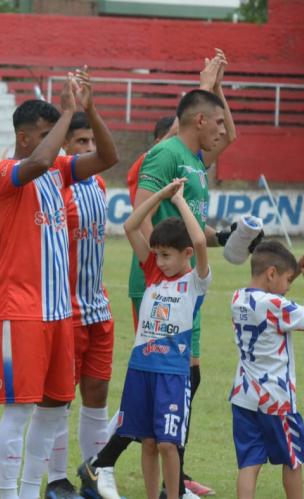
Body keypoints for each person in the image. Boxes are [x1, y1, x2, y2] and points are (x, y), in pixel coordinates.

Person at [0, 68, 118, 499]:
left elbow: (108, 158)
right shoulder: (6, 174)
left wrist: (90, 111)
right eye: (49, 132)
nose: (60, 140)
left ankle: (29, 492)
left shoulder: (60, 172)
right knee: (18, 410)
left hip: (59, 314)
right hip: (18, 313)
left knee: (54, 408)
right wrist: (67, 111)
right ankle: (9, 495)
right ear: (26, 137)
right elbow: (41, 159)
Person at [126, 50, 236, 498]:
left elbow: (227, 136)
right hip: (159, 281)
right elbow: (140, 214)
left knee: (185, 379)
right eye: (218, 121)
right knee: (164, 379)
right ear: (199, 122)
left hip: (183, 277)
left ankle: (177, 479)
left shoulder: (196, 160)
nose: (225, 129)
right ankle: (106, 465)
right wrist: (159, 262)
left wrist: (217, 87)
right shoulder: (167, 153)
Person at [82, 178, 211, 499]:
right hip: (140, 370)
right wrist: (160, 195)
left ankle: (175, 494)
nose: (161, 262)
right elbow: (130, 225)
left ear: (186, 254)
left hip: (172, 374)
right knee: (148, 441)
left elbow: (200, 241)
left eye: (167, 255)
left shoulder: (196, 281)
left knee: (169, 443)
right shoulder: (153, 271)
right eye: (158, 255)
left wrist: (179, 201)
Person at [43, 112, 115, 499]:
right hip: (63, 312)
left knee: (97, 394)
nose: (88, 149)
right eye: (80, 143)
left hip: (98, 309)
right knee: (58, 398)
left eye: (91, 142)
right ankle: (56, 479)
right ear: (64, 148)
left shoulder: (100, 184)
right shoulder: (56, 186)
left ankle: (94, 475)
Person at [229, 241, 304, 499]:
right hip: (276, 398)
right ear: (271, 274)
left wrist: (292, 266)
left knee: (249, 464)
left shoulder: (237, 298)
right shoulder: (275, 305)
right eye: (288, 279)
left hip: (244, 395)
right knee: (292, 460)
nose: (289, 286)